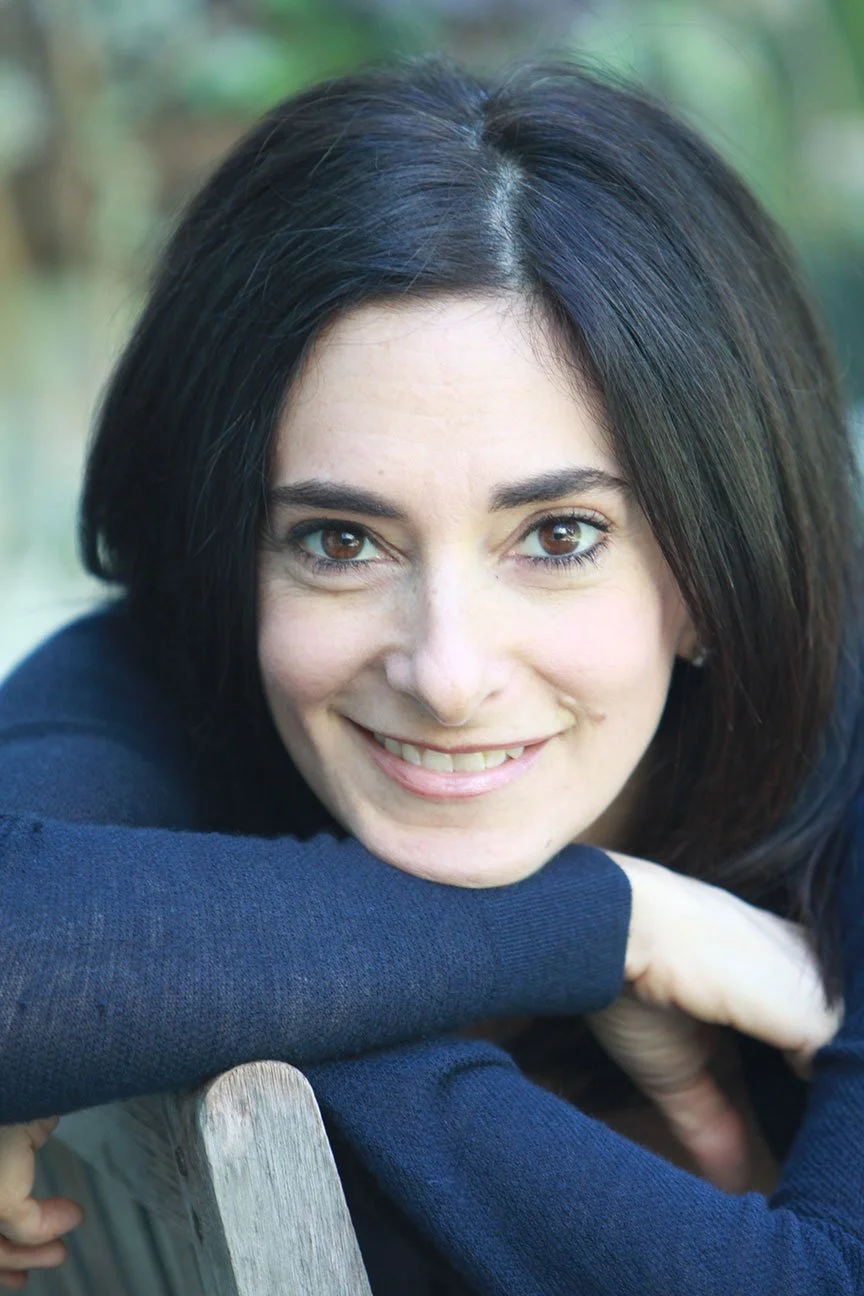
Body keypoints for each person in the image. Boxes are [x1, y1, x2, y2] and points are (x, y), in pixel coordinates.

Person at [0, 52, 861, 1294]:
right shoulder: (179, 666)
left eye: (560, 537)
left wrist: (210, 997)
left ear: (712, 571)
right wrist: (599, 921)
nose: (447, 672)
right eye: (340, 542)